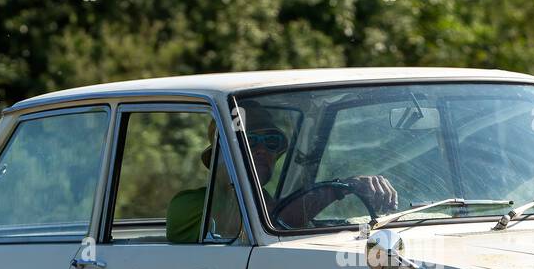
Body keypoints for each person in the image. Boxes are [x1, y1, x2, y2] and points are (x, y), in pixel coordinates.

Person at [166, 103, 398, 242]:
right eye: (249, 141)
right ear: (220, 155)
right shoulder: (188, 205)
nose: (261, 150)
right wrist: (343, 187)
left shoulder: (265, 202)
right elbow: (280, 219)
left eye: (271, 142)